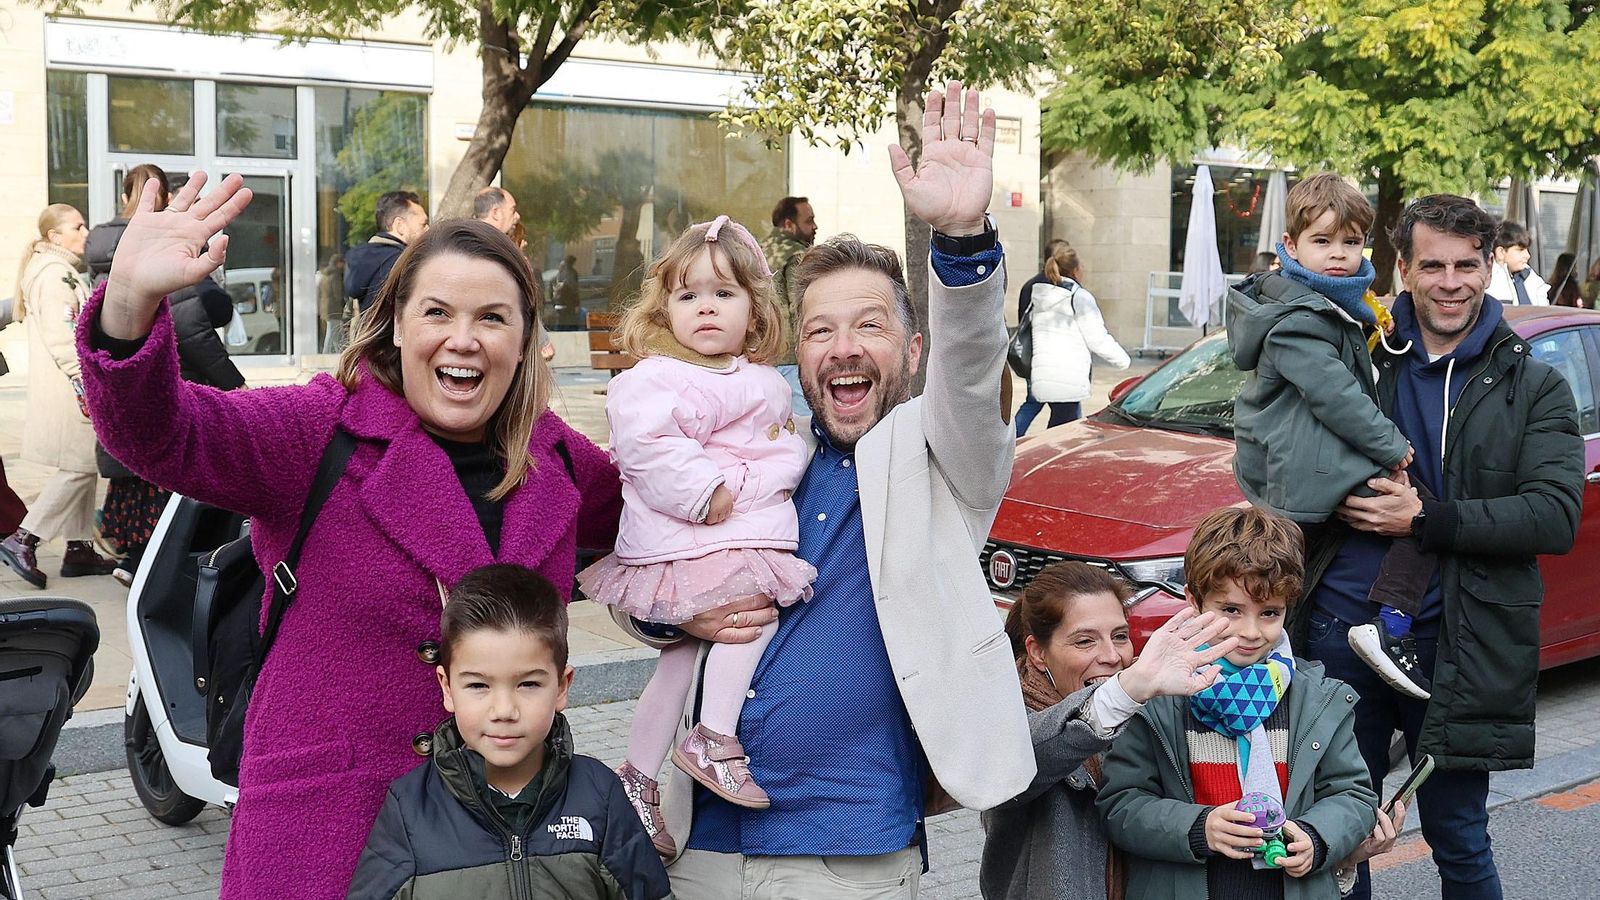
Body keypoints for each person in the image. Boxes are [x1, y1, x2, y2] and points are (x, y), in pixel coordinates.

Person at [79, 176, 623, 900]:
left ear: (525, 340)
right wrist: (129, 305)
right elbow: (160, 434)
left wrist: (692, 598)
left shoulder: (556, 459)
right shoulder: (318, 432)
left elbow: (652, 528)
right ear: (396, 322)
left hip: (502, 849)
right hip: (325, 836)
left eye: (492, 317)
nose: (463, 339)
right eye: (437, 312)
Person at [609, 82, 1034, 899]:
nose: (844, 348)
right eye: (820, 330)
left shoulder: (946, 457)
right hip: (697, 844)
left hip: (848, 851)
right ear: (793, 353)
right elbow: (649, 558)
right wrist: (672, 612)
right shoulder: (757, 445)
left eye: (870, 325)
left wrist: (963, 238)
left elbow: (975, 374)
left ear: (912, 353)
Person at [1298, 194, 1584, 900]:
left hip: (1455, 642)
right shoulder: (1358, 355)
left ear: (1489, 267)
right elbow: (1283, 455)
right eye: (1433, 265)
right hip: (1338, 633)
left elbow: (1553, 517)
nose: (1450, 281)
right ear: (1404, 267)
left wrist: (1424, 517)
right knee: (1337, 831)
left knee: (1457, 834)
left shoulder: (1535, 385)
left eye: (1466, 265)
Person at [578, 214, 816, 857]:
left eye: (723, 294)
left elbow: (784, 450)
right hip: (691, 536)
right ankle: (712, 736)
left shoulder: (763, 382)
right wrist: (709, 492)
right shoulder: (654, 377)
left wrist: (752, 477)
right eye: (688, 295)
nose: (704, 308)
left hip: (726, 529)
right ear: (665, 308)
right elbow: (649, 448)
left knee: (682, 658)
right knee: (750, 620)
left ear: (754, 310)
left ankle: (636, 775)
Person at [1099, 506, 1378, 900]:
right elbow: (1121, 805)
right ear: (1193, 600)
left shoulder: (1316, 696)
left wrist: (1317, 836)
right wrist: (1200, 827)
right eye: (1230, 610)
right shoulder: (1157, 697)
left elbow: (1353, 794)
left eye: (1269, 613)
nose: (1250, 632)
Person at [1228, 172, 1433, 701]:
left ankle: (1276, 671)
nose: (1338, 255)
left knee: (1288, 582)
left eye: (1350, 241)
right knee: (1422, 514)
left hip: (1303, 460)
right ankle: (1390, 625)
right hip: (1304, 468)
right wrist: (1392, 444)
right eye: (1322, 241)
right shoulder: (1300, 316)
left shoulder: (1330, 304)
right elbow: (1335, 394)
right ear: (1291, 246)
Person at [349, 564, 672, 900]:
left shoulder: (599, 794)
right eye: (478, 685)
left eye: (528, 684)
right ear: (447, 687)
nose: (504, 710)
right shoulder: (410, 807)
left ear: (562, 686)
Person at [980, 562, 1238, 900]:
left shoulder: (1148, 707)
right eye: (1085, 641)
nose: (1112, 656)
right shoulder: (1007, 722)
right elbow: (1024, 760)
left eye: (1120, 636)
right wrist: (1125, 691)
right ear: (1038, 653)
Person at [0, 204, 119, 588]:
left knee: (81, 463)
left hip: (67, 385)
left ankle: (79, 547)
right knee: (79, 464)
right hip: (70, 387)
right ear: (55, 236)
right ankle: (24, 538)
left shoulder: (55, 270)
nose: (85, 232)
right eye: (77, 226)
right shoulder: (55, 275)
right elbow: (62, 336)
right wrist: (83, 382)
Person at [1017, 242, 1129, 434]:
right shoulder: (1079, 297)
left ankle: (1014, 444)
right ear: (1075, 270)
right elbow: (1097, 338)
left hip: (1044, 372)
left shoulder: (1041, 294)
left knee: (1058, 429)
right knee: (1063, 436)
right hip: (1067, 375)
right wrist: (1123, 361)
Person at [476, 187, 554, 361]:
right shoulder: (498, 251)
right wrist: (542, 341)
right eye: (512, 210)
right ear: (495, 213)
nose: (517, 216)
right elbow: (521, 300)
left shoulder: (464, 244)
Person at [761, 195, 817, 416]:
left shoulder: (756, 251)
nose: (815, 226)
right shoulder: (795, 254)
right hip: (791, 358)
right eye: (809, 220)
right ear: (788, 224)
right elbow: (802, 307)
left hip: (762, 356)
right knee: (803, 425)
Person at [346, 190, 429, 313]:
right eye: (423, 224)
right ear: (400, 225)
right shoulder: (402, 264)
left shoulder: (361, 259)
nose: (428, 230)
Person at [1486, 220, 1549, 305]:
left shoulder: (1530, 277)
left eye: (1527, 250)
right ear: (1501, 252)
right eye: (1520, 250)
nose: (1527, 255)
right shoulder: (1489, 282)